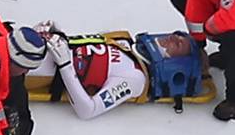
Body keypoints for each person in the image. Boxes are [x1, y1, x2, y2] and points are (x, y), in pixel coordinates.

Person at [33, 27, 198, 120]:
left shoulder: (135, 78)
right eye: (176, 35)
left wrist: (64, 64)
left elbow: (88, 110)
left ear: (175, 64)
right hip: (41, 49)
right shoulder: (123, 39)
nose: (173, 37)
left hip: (41, 70)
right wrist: (54, 30)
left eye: (178, 44)